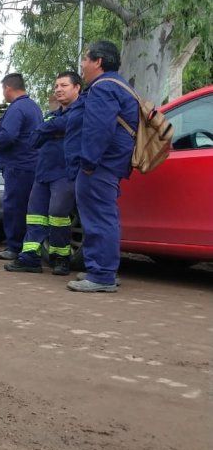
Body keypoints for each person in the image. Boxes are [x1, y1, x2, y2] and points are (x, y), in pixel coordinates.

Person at [67, 41, 138, 293]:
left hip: (99, 165)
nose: (82, 65)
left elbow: (98, 129)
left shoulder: (102, 87)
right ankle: (103, 269)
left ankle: (102, 275)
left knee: (98, 218)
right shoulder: (119, 85)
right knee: (103, 216)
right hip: (110, 164)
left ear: (98, 61)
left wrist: (88, 163)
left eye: (85, 59)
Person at [4, 71, 81, 275]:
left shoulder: (80, 111)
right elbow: (34, 138)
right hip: (43, 173)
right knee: (35, 216)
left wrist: (48, 129)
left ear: (77, 88)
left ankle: (61, 258)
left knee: (58, 215)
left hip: (64, 173)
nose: (58, 89)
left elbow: (64, 126)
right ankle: (30, 258)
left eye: (64, 85)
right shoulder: (51, 115)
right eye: (56, 86)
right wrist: (50, 129)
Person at [0, 73, 43, 261]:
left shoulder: (17, 108)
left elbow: (9, 136)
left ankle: (14, 246)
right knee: (27, 207)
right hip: (30, 164)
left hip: (18, 165)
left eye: (3, 89)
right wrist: (1, 125)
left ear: (8, 88)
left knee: (14, 206)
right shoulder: (33, 107)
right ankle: (26, 246)